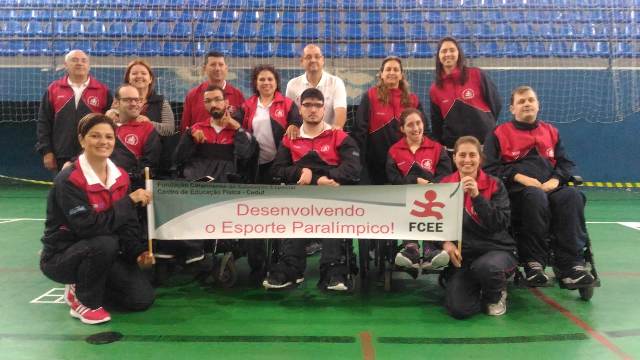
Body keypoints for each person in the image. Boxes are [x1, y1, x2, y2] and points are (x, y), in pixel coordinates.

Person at [39, 113, 155, 325]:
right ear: (82, 140)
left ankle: (90, 283)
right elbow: (89, 228)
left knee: (141, 299)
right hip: (62, 255)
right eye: (95, 136)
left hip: (101, 252)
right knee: (105, 242)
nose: (103, 142)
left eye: (109, 137)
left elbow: (127, 222)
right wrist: (128, 202)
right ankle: (83, 300)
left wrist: (138, 252)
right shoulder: (69, 180)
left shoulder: (121, 176)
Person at [483, 86, 595, 288]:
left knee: (572, 196)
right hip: (517, 192)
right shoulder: (499, 133)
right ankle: (533, 263)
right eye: (521, 101)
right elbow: (489, 168)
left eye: (531, 100)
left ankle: (572, 265)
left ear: (538, 105)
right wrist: (518, 177)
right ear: (512, 109)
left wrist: (557, 179)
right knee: (534, 197)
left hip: (550, 187)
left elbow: (566, 164)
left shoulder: (551, 132)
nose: (527, 104)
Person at [264, 88, 361, 291]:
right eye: (308, 105)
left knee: (332, 215)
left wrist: (320, 178)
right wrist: (303, 173)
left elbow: (353, 168)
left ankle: (333, 269)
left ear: (324, 109)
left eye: (318, 105)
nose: (313, 109)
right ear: (300, 109)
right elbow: (277, 169)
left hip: (332, 198)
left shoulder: (338, 136)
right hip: (299, 199)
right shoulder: (290, 137)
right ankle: (291, 267)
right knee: (296, 213)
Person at [440, 136, 518, 319]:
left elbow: (499, 223)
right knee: (460, 310)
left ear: (480, 158)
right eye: (462, 155)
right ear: (454, 158)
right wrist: (445, 244)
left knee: (486, 267)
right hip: (464, 257)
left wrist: (477, 196)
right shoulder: (444, 185)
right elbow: (434, 225)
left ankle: (496, 294)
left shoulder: (495, 184)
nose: (467, 160)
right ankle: (474, 285)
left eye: (472, 155)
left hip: (496, 250)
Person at [386, 108, 452, 271]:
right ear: (402, 129)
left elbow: (446, 175)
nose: (415, 128)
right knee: (408, 205)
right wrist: (414, 181)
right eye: (410, 125)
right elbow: (393, 179)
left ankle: (431, 249)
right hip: (404, 201)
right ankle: (411, 249)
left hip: (434, 199)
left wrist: (431, 186)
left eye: (418, 123)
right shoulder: (394, 151)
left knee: (432, 206)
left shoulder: (437, 148)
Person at [353, 56, 425, 185]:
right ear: (381, 74)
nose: (392, 72)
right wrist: (360, 161)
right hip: (375, 163)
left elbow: (423, 132)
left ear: (401, 75)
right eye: (388, 69)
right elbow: (360, 130)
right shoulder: (370, 95)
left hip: (405, 163)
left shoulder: (413, 99)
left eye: (396, 70)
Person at [37, 50, 113, 172]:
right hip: (61, 154)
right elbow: (44, 122)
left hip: (93, 153)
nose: (79, 63)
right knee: (65, 190)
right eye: (74, 60)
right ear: (66, 65)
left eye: (83, 60)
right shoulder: (53, 89)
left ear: (89, 66)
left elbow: (111, 124)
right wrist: (47, 151)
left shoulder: (102, 90)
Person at [429, 36, 502, 151]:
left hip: (484, 145)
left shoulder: (476, 74)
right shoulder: (435, 89)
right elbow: (437, 122)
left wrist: (486, 123)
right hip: (454, 148)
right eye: (444, 51)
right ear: (438, 56)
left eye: (452, 50)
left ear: (459, 53)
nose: (448, 54)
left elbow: (496, 103)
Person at [236, 64, 302, 184]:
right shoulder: (247, 105)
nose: (266, 82)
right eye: (262, 79)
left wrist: (294, 125)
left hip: (280, 162)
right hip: (255, 162)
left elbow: (297, 121)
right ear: (256, 83)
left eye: (270, 79)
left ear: (276, 82)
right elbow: (237, 126)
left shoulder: (287, 104)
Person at [108, 84, 161, 189]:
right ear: (116, 103)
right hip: (102, 184)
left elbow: (149, 166)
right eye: (128, 100)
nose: (134, 104)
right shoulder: (105, 126)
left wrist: (124, 178)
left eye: (137, 100)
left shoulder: (147, 129)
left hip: (131, 187)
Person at [285, 44, 347, 129]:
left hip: (329, 135)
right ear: (302, 61)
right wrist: (292, 126)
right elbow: (290, 114)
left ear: (323, 60)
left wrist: (337, 128)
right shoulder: (292, 85)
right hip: (302, 137)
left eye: (317, 56)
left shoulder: (336, 83)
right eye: (308, 57)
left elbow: (340, 110)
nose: (313, 60)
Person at [180, 51, 245, 132]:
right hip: (200, 143)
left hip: (229, 144)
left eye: (221, 65)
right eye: (213, 64)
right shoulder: (193, 95)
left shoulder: (237, 95)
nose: (217, 68)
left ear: (226, 68)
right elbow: (185, 127)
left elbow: (243, 126)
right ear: (204, 68)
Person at [117, 59, 175, 136]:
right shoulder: (119, 100)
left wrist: (148, 124)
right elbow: (112, 123)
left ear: (150, 79)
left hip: (153, 146)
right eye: (134, 73)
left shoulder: (161, 102)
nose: (139, 76)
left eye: (143, 73)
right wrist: (110, 115)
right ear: (128, 79)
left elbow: (169, 129)